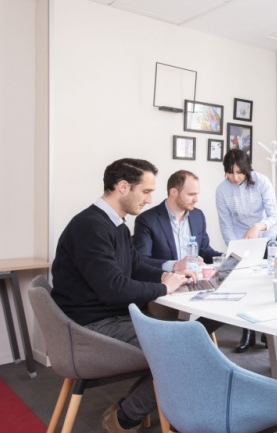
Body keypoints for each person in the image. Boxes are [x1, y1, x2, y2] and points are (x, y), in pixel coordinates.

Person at [51, 158, 193, 433]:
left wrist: (167, 277)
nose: (151, 200)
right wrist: (164, 288)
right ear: (123, 187)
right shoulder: (90, 227)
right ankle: (124, 418)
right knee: (185, 345)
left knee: (186, 335)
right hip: (91, 327)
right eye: (146, 191)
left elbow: (135, 266)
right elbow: (113, 287)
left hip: (106, 317)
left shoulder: (115, 224)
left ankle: (139, 407)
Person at [133, 169, 224, 331]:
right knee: (195, 323)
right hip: (166, 290)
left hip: (195, 284)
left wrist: (226, 258)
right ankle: (189, 338)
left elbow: (204, 251)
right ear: (173, 192)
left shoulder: (197, 216)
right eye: (191, 194)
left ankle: (191, 338)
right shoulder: (147, 220)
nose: (196, 200)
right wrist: (175, 266)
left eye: (197, 194)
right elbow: (140, 261)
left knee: (226, 306)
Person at [215, 149, 277, 352]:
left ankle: (268, 330)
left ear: (247, 169)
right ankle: (247, 332)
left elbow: (273, 217)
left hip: (266, 233)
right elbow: (225, 224)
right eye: (230, 172)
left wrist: (257, 227)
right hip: (240, 237)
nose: (235, 177)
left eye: (239, 172)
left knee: (266, 282)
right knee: (244, 283)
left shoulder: (262, 182)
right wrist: (235, 248)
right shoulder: (222, 190)